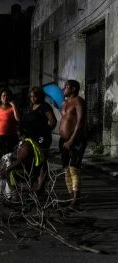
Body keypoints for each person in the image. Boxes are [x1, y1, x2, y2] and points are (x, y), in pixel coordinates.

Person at [22, 87, 57, 192]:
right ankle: (33, 183)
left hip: (42, 138)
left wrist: (45, 131)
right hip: (30, 138)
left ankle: (41, 186)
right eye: (31, 96)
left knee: (41, 160)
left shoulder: (44, 106)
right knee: (32, 160)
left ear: (40, 95)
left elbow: (53, 121)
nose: (33, 98)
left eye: (35, 95)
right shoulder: (31, 107)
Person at [59, 80, 87, 208]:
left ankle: (76, 199)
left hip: (75, 140)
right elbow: (66, 119)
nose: (64, 88)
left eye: (66, 86)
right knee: (66, 169)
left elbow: (80, 122)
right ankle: (71, 198)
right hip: (63, 140)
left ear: (74, 89)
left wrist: (71, 140)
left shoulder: (79, 101)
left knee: (74, 168)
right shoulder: (65, 103)